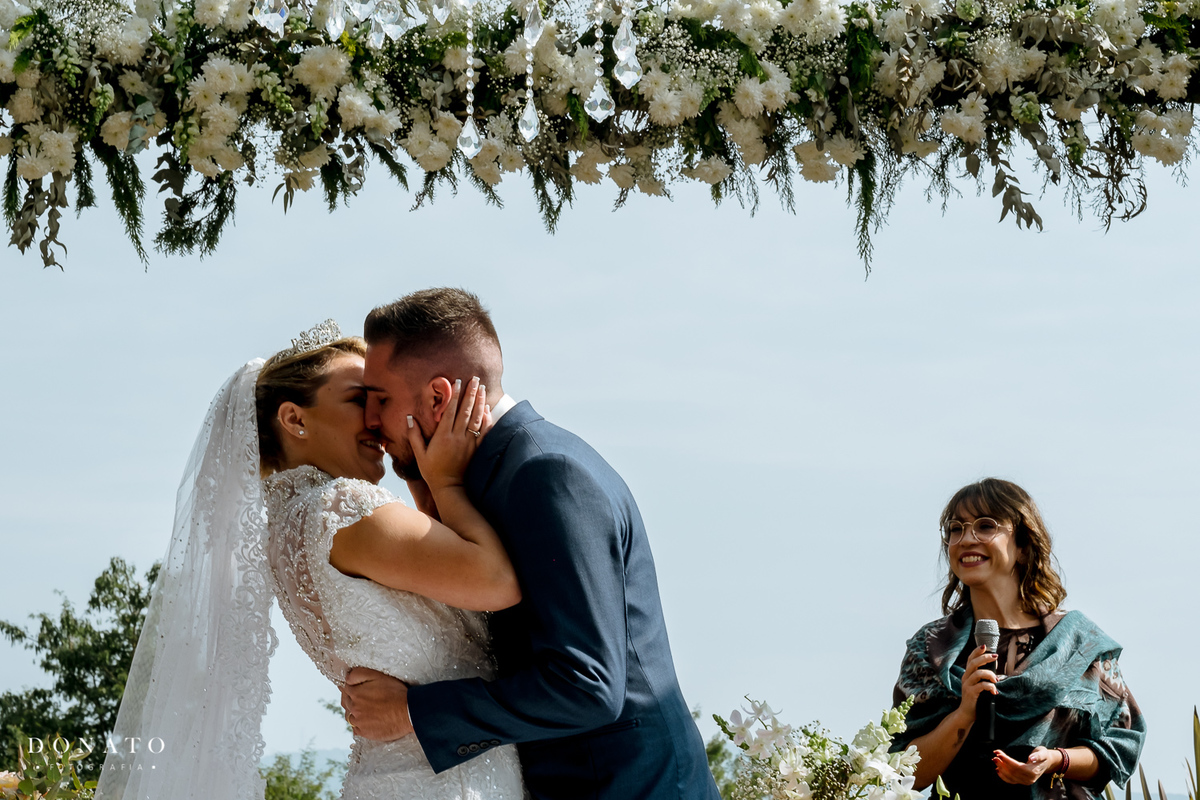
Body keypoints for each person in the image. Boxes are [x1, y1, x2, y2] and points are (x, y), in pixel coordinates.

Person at [96, 320, 526, 800]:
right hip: (450, 781)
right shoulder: (340, 508)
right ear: (295, 420)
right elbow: (497, 581)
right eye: (358, 399)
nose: (376, 419)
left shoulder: (287, 526)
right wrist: (445, 483)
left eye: (378, 401)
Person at [339, 288, 721, 800]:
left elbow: (585, 685)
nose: (370, 421)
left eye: (380, 400)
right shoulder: (486, 480)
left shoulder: (546, 474)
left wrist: (412, 711)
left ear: (438, 398)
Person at [890, 478, 1145, 800]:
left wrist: (1055, 760)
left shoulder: (1079, 645)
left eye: (985, 526)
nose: (966, 538)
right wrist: (964, 712)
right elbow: (902, 772)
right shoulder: (931, 648)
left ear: (1024, 546)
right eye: (956, 529)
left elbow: (1120, 747)